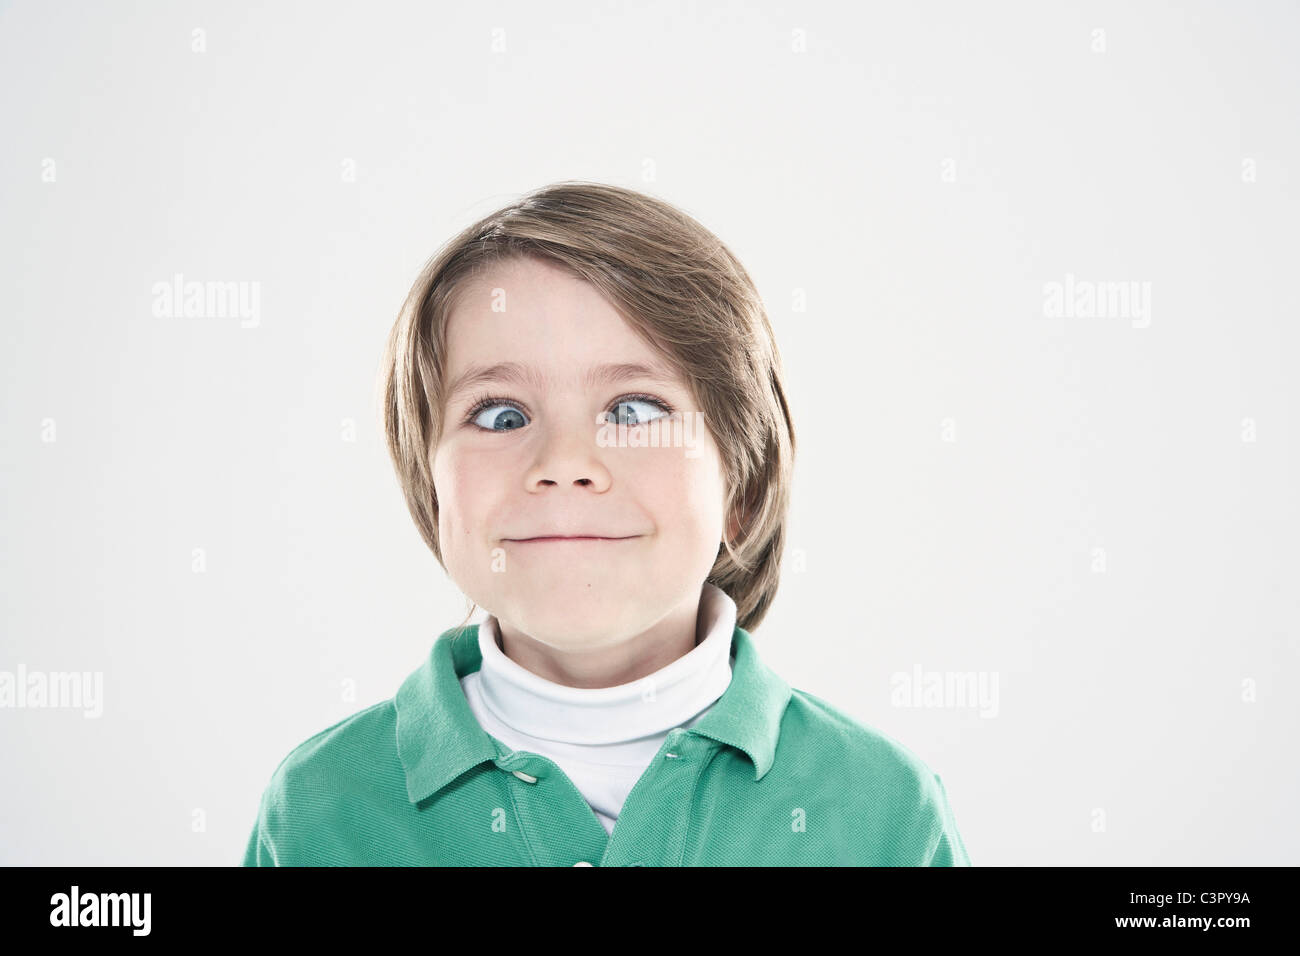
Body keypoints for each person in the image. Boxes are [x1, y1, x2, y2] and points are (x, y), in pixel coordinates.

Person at [241, 181, 971, 866]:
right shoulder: (321, 810)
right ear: (435, 496)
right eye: (501, 415)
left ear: (740, 490)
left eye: (634, 411)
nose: (563, 462)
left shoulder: (886, 813)